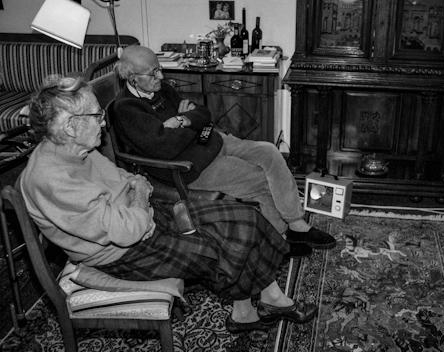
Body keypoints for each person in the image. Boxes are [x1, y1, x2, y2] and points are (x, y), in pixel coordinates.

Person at [19, 76, 318, 333]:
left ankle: (256, 306)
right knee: (227, 246)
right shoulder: (53, 179)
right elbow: (128, 230)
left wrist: (137, 189)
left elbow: (122, 177)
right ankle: (260, 307)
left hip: (143, 216)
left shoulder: (78, 148)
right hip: (124, 253)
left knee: (246, 219)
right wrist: (139, 192)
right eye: (97, 116)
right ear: (71, 126)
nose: (103, 123)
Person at [112, 45, 335, 254]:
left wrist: (179, 121)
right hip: (191, 167)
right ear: (133, 78)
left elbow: (202, 113)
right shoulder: (127, 109)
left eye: (159, 69)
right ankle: (279, 240)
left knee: (270, 152)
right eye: (153, 73)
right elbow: (166, 148)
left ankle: (296, 223)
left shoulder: (163, 90)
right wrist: (190, 122)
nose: (160, 76)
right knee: (259, 179)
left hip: (211, 142)